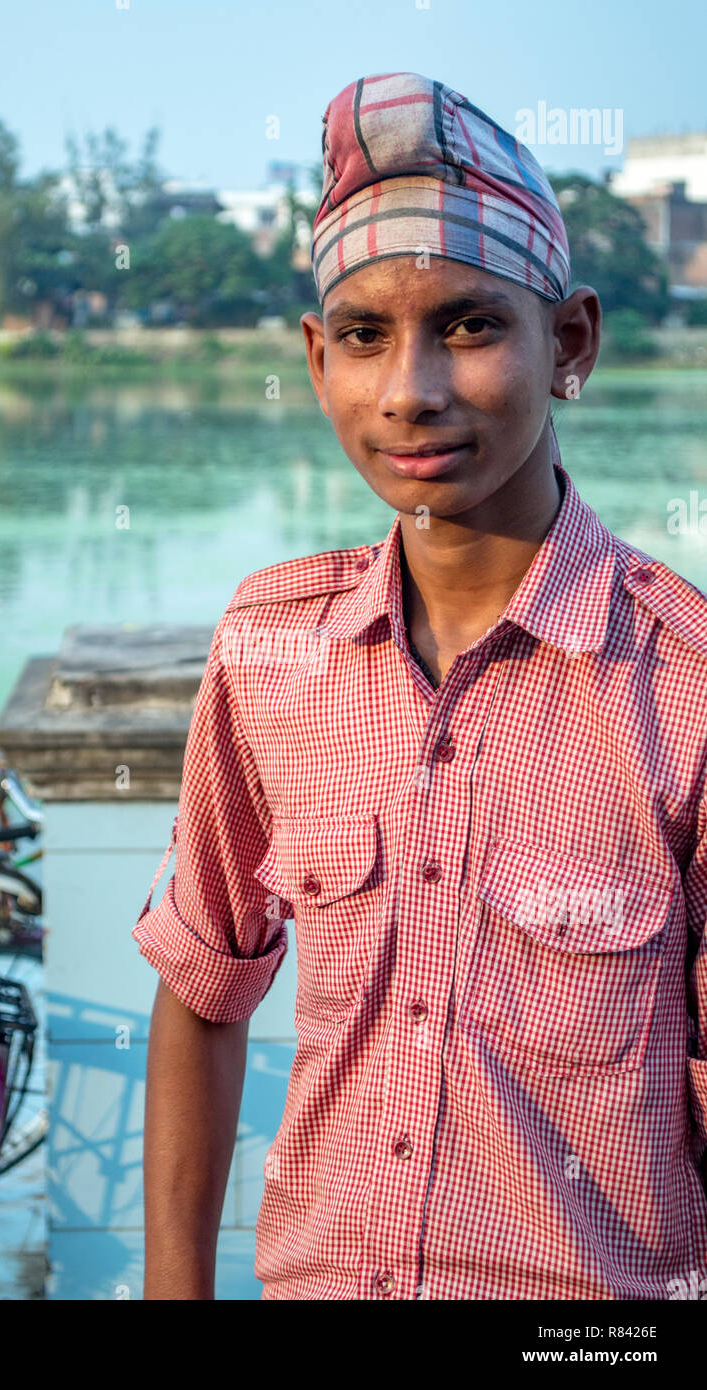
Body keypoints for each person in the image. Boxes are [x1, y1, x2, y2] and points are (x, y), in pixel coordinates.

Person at [132, 71, 707, 1300]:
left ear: (568, 343)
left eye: (466, 324)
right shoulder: (272, 648)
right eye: (362, 337)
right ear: (314, 358)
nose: (409, 391)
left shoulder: (683, 687)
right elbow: (201, 985)